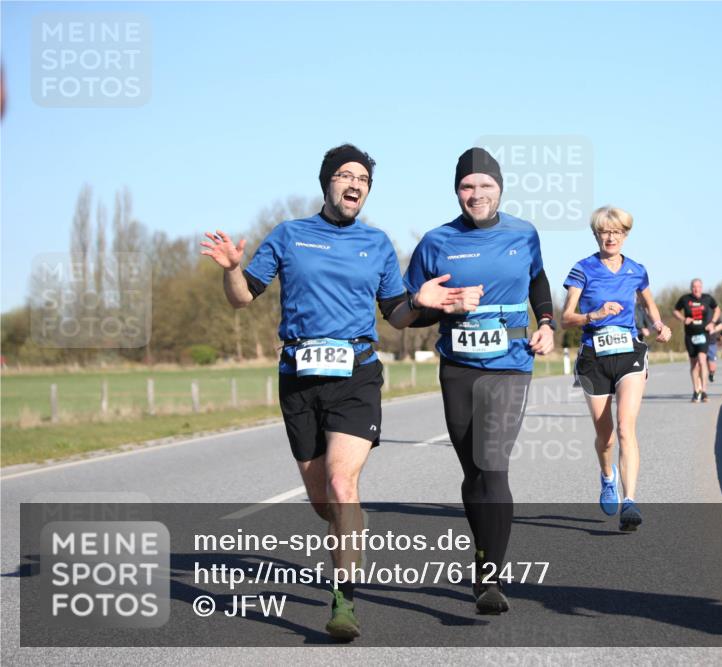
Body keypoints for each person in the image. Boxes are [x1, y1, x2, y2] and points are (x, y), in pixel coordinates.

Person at [201, 144, 463, 640]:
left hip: (356, 375)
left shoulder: (378, 243)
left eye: (362, 178)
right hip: (299, 379)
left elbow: (397, 315)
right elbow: (241, 299)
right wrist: (231, 267)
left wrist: (422, 302)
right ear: (326, 183)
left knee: (344, 486)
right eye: (345, 175)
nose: (355, 183)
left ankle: (344, 601)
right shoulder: (289, 235)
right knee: (325, 503)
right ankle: (350, 532)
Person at [402, 147, 555, 614]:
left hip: (510, 362)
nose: (477, 194)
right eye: (468, 186)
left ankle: (491, 577)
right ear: (457, 191)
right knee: (472, 472)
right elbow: (407, 310)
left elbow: (538, 282)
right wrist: (439, 304)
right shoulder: (435, 241)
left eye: (486, 185)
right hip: (458, 366)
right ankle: (483, 550)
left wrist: (546, 323)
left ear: (500, 188)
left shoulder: (524, 234)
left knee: (493, 465)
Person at [563, 206, 670, 531]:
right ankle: (607, 476)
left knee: (626, 428)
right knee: (606, 437)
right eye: (604, 232)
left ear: (625, 235)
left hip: (629, 354)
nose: (610, 238)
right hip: (594, 357)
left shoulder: (636, 270)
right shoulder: (582, 269)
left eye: (617, 233)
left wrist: (659, 324)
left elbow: (649, 303)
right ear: (596, 235)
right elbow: (566, 317)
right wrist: (592, 316)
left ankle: (630, 501)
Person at [674, 279, 720, 403]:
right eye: (694, 287)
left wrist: (713, 323)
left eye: (699, 286)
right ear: (691, 288)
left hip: (703, 334)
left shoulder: (707, 298)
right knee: (694, 364)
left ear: (702, 287)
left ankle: (704, 391)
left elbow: (717, 309)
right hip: (690, 335)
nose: (696, 289)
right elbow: (675, 311)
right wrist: (683, 319)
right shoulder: (685, 299)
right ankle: (696, 391)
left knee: (702, 360)